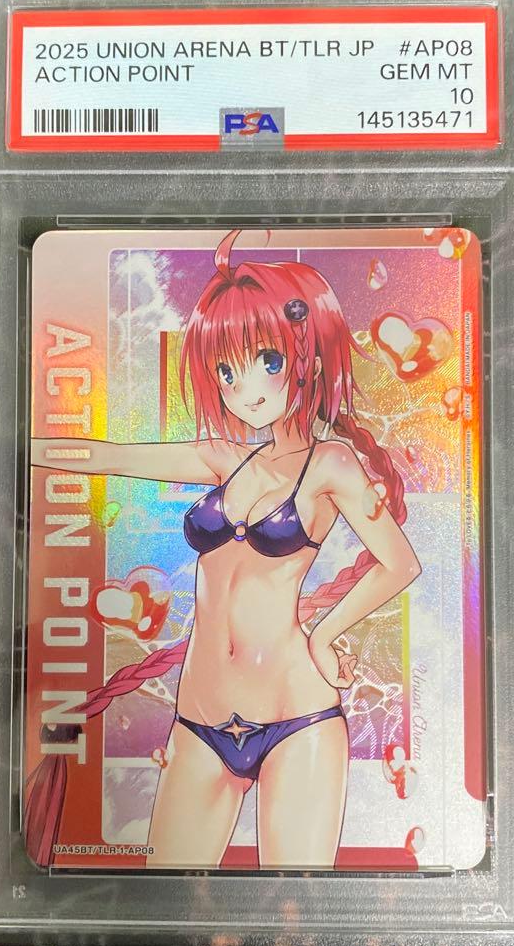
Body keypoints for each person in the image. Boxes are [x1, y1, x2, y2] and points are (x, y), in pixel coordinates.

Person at [31, 229, 421, 869]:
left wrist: (324, 636)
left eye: (266, 360)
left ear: (307, 354)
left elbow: (400, 563)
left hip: (298, 715)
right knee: (164, 900)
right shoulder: (223, 458)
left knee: (298, 906)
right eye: (227, 370)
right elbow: (105, 457)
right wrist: (10, 443)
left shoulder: (331, 465)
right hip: (199, 720)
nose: (246, 389)